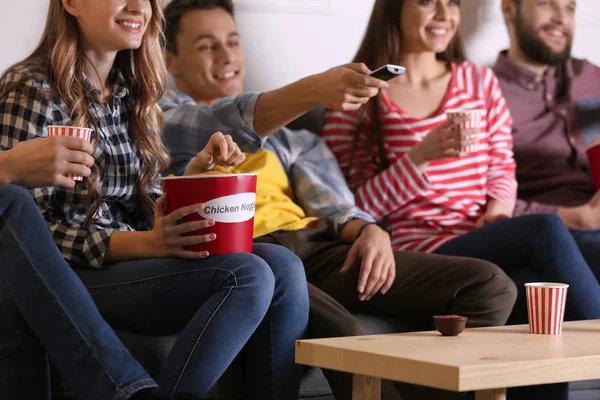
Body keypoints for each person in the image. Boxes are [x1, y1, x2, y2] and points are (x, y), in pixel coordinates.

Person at [160, 1, 518, 398]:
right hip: (246, 256)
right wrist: (313, 89)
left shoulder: (293, 137)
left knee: (490, 285)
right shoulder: (157, 120)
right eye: (208, 46)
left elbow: (336, 204)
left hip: (315, 248)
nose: (227, 56)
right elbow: (213, 123)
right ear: (170, 60)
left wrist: (369, 229)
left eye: (233, 42)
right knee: (350, 337)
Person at [0, 0, 311, 399]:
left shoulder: (136, 93)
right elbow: (21, 239)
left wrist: (190, 183)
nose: (137, 6)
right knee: (246, 275)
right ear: (72, 3)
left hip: (130, 261)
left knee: (284, 265)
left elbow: (143, 209)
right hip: (71, 275)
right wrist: (145, 244)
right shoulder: (32, 88)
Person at [321, 0, 600, 398]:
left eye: (451, 3)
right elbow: (351, 209)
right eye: (426, 3)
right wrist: (421, 157)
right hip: (418, 250)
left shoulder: (478, 81)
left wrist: (498, 210)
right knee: (545, 227)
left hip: (478, 237)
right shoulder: (360, 96)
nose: (443, 14)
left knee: (529, 294)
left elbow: (502, 166)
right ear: (394, 10)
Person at [493, 0, 600, 280]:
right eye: (545, 3)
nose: (560, 19)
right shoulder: (484, 93)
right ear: (508, 9)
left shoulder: (590, 75)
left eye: (570, 8)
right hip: (557, 235)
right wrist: (578, 217)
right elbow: (473, 199)